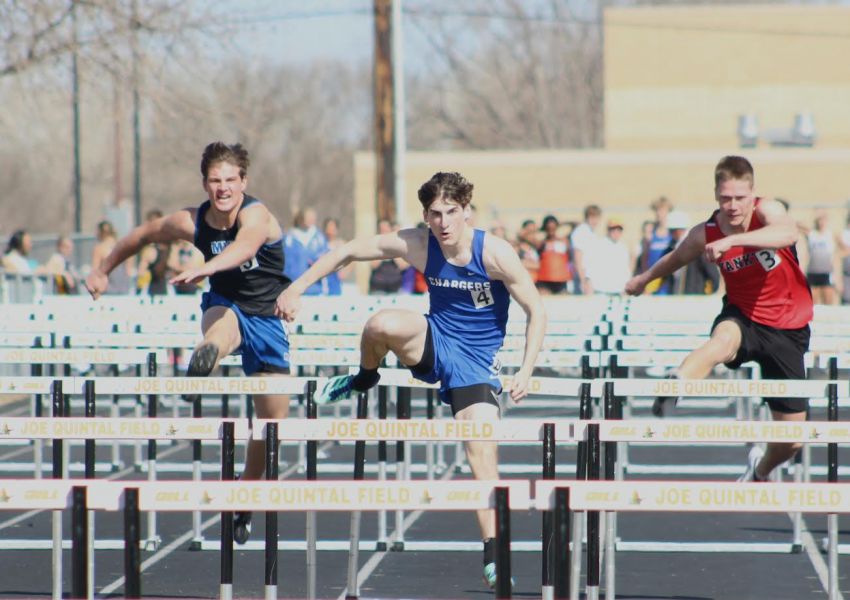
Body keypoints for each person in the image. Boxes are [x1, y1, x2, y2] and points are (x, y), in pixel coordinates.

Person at [275, 171, 546, 589]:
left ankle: (493, 547)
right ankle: (366, 376)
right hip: (434, 339)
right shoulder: (418, 244)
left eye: (452, 212)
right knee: (379, 323)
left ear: (466, 211)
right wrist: (296, 289)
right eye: (435, 214)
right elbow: (348, 251)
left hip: (475, 364)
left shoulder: (495, 253)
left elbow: (536, 310)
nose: (444, 223)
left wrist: (525, 369)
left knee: (480, 454)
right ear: (426, 215)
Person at [84, 141, 292, 544]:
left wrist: (206, 266)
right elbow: (144, 234)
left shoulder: (257, 214)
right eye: (215, 181)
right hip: (226, 304)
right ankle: (202, 364)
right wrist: (103, 269)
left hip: (268, 317)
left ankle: (243, 498)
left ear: (243, 182)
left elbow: (246, 246)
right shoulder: (192, 220)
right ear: (205, 184)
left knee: (271, 428)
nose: (223, 188)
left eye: (230, 180)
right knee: (220, 331)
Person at [625, 155, 812, 483]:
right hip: (744, 315)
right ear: (716, 195)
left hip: (788, 327)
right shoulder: (706, 232)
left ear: (753, 194)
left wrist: (734, 240)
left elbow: (787, 233)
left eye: (740, 198)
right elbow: (677, 257)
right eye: (726, 198)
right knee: (723, 340)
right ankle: (677, 384)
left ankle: (760, 468)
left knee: (792, 441)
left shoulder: (769, 212)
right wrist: (644, 279)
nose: (733, 206)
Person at [283, 208, 329, 295]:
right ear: (301, 218)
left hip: (315, 289)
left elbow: (325, 257)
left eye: (313, 217)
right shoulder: (289, 237)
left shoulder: (319, 238)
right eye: (308, 217)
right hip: (292, 288)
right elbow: (285, 262)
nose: (311, 219)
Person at [589, 217, 631, 295]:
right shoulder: (598, 245)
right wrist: (589, 285)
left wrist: (626, 287)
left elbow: (625, 270)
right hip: (601, 290)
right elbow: (590, 267)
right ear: (608, 230)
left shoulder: (623, 248)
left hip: (618, 291)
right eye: (613, 229)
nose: (616, 232)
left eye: (619, 230)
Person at [91, 220, 133, 295]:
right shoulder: (124, 246)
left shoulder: (99, 248)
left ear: (101, 233)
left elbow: (95, 271)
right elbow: (129, 270)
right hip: (124, 287)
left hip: (107, 287)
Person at [137, 209, 172, 296]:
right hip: (165, 292)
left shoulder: (150, 250)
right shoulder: (169, 245)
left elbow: (141, 272)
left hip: (154, 293)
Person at [805, 210, 837, 305]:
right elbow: (799, 225)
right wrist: (815, 214)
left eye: (823, 220)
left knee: (828, 301)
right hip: (813, 271)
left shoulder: (831, 234)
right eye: (819, 220)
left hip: (827, 271)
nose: (821, 223)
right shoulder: (811, 234)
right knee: (813, 301)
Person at [570, 204, 603, 295]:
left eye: (596, 217)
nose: (595, 220)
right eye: (592, 217)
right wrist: (583, 280)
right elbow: (578, 258)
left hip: (593, 277)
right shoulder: (580, 232)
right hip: (585, 277)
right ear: (586, 217)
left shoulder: (592, 233)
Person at [535, 215, 571, 295]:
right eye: (548, 228)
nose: (551, 230)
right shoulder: (541, 243)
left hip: (561, 279)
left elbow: (575, 225)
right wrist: (539, 229)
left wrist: (562, 223)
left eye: (553, 228)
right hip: (544, 279)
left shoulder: (564, 241)